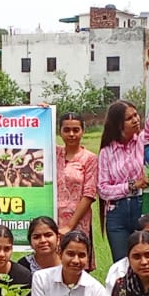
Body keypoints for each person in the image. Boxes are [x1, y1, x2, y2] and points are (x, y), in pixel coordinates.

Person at [98, 100, 147, 262]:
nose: (136, 120)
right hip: (116, 213)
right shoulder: (107, 152)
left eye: (136, 115)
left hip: (142, 206)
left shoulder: (145, 141)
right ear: (118, 124)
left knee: (145, 260)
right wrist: (131, 185)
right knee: (121, 264)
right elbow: (103, 189)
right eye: (129, 118)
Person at [55, 111, 99, 269]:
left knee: (76, 263)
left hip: (78, 220)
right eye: (66, 130)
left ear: (83, 131)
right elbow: (33, 135)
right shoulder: (54, 153)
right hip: (53, 220)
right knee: (52, 266)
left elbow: (89, 194)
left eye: (76, 130)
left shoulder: (89, 158)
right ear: (60, 131)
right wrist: (42, 112)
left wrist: (69, 226)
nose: (71, 134)